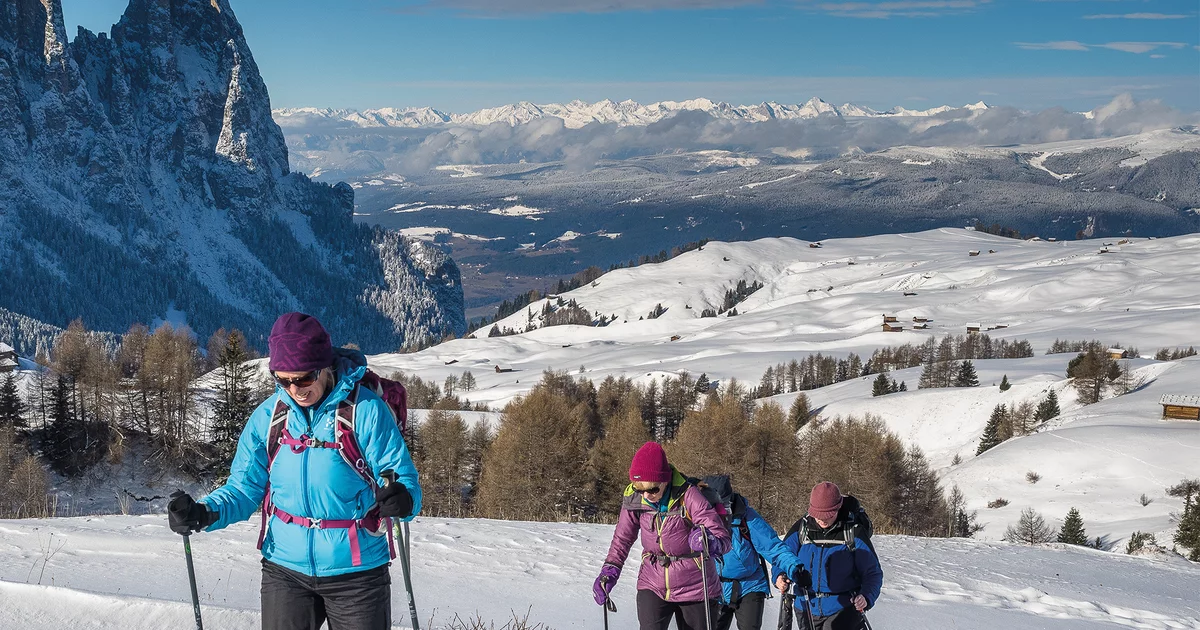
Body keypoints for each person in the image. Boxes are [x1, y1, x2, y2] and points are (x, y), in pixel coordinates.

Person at [167, 312, 422, 630]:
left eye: (304, 378)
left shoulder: (366, 412)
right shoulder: (269, 418)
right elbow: (244, 488)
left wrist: (404, 499)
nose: (295, 389)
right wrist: (203, 512)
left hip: (357, 575)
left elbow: (403, 478)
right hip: (284, 569)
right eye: (284, 380)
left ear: (324, 367)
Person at [593, 442, 733, 630]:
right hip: (653, 581)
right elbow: (622, 539)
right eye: (639, 488)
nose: (645, 495)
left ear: (665, 480)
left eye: (652, 489)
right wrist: (610, 569)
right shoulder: (634, 499)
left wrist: (709, 541)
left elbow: (722, 537)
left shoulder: (689, 495)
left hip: (695, 585)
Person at [774, 482, 882, 630]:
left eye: (828, 515)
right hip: (806, 606)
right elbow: (782, 556)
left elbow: (872, 572)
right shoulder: (802, 528)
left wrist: (866, 596)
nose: (822, 520)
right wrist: (779, 575)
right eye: (818, 515)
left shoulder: (853, 531)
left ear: (838, 508)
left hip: (843, 608)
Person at [701, 476, 803, 630]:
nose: (719, 510)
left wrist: (793, 566)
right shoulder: (700, 518)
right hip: (714, 586)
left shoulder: (747, 517)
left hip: (750, 585)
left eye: (724, 504)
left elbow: (772, 546)